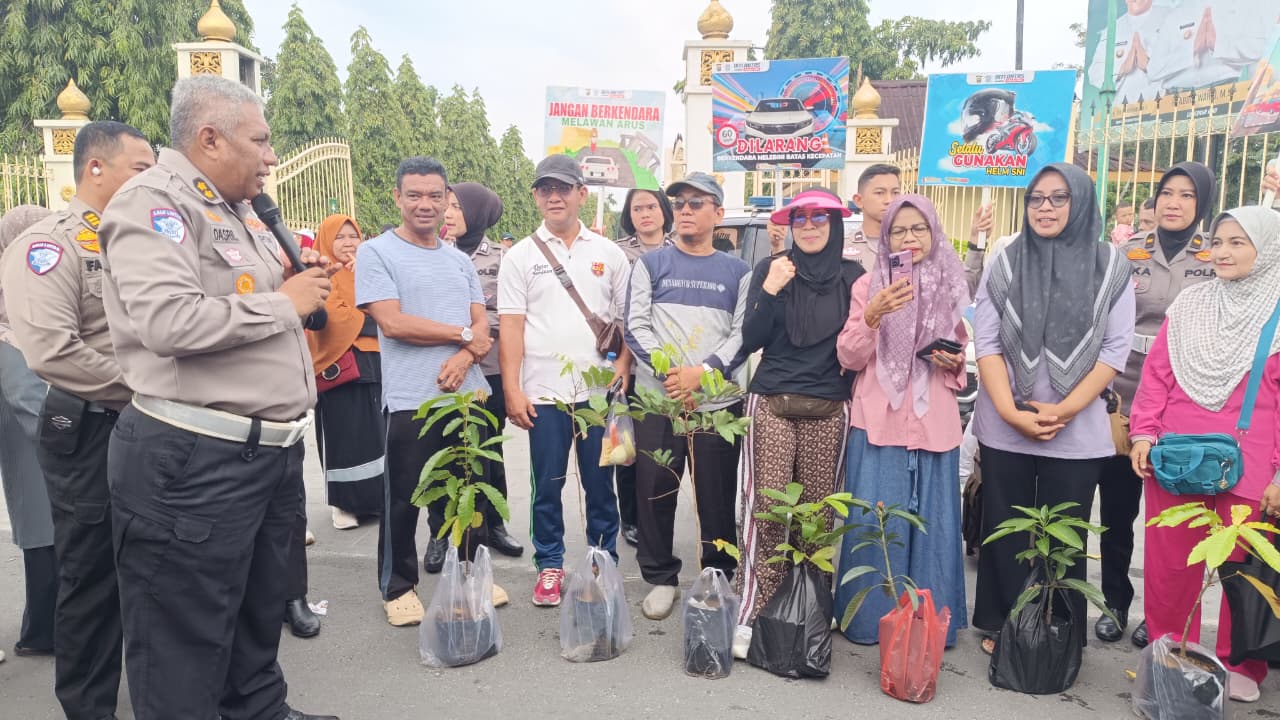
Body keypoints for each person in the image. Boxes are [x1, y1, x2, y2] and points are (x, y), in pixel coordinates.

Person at [98, 75, 337, 720]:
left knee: (257, 617)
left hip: (267, 459)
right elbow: (168, 323)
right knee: (184, 643)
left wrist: (284, 294)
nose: (271, 156)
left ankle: (262, 711)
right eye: (259, 140)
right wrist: (280, 304)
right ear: (210, 137)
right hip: (194, 462)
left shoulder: (234, 210)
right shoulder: (152, 205)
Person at [1, 121, 154, 719]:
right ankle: (89, 708)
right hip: (91, 427)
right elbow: (53, 352)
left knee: (153, 571)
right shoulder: (51, 245)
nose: (154, 183)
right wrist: (148, 388)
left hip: (151, 422)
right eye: (141, 171)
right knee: (92, 579)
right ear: (95, 168)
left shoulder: (141, 241)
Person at [970, 163, 1135, 657]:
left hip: (1078, 425)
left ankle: (1058, 629)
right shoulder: (1006, 260)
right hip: (1007, 422)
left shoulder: (1112, 265)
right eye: (1036, 198)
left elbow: (1114, 350)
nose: (1044, 207)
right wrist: (1010, 410)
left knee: (1065, 533)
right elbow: (987, 340)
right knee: (1005, 526)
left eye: (1058, 198)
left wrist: (1062, 410)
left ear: (1080, 202)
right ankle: (1003, 624)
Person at [1129, 206, 1280, 705]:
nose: (1223, 252)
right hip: (1176, 457)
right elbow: (1155, 378)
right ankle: (1169, 650)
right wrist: (1144, 434)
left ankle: (1241, 660)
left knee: (1242, 567)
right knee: (1170, 564)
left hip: (1253, 463)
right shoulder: (1191, 304)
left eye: (1239, 243)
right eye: (1219, 242)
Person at [357, 158, 500, 625]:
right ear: (397, 198)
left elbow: (481, 327)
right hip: (411, 399)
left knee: (469, 491)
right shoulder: (377, 253)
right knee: (404, 497)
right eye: (414, 195)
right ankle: (398, 585)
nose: (425, 204)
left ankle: (470, 572)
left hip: (467, 398)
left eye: (435, 196)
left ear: (446, 203)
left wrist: (465, 357)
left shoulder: (459, 260)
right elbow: (393, 323)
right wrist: (462, 339)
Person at [834, 194, 971, 647]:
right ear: (886, 236)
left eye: (918, 229)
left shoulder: (950, 287)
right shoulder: (867, 285)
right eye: (899, 230)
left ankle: (929, 624)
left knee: (933, 525)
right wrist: (874, 315)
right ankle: (867, 620)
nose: (909, 238)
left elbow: (960, 366)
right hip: (878, 420)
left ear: (933, 234)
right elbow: (849, 356)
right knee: (876, 526)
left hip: (934, 423)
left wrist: (950, 359)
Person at [733, 187, 866, 654]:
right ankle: (754, 610)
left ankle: (810, 609)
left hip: (829, 406)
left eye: (820, 218)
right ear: (790, 225)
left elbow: (862, 341)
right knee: (766, 511)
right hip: (771, 399)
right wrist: (770, 292)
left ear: (835, 225)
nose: (809, 226)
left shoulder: (853, 276)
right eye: (801, 218)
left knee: (819, 515)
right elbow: (750, 339)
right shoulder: (772, 269)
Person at [497, 154, 631, 607]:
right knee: (547, 483)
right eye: (545, 189)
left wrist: (621, 373)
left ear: (581, 193)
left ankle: (601, 562)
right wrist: (513, 389)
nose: (554, 197)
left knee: (600, 484)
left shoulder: (609, 253)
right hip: (544, 394)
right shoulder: (519, 256)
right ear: (535, 196)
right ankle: (549, 564)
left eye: (563, 188)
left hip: (598, 396)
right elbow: (511, 326)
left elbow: (626, 322)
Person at [1100, 161, 1218, 648]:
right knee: (1116, 513)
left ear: (1202, 204)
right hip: (1122, 398)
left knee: (1170, 525)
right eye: (1167, 193)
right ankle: (1113, 603)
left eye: (1187, 195)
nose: (1174, 203)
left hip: (1184, 403)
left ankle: (1161, 615)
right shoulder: (1127, 253)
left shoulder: (1218, 254)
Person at [624, 173, 750, 620]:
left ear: (718, 213)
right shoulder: (651, 264)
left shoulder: (738, 271)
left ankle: (717, 576)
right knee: (655, 491)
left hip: (716, 406)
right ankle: (659, 578)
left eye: (697, 203)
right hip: (659, 403)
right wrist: (669, 373)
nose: (686, 210)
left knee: (715, 497)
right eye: (679, 203)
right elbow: (635, 326)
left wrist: (703, 375)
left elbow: (741, 337)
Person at [441, 181, 524, 558]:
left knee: (488, 448)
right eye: (448, 205)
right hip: (443, 369)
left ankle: (493, 524)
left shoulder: (503, 259)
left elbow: (505, 320)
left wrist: (473, 349)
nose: (447, 212)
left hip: (486, 370)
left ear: (476, 212)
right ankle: (441, 532)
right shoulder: (436, 254)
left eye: (457, 206)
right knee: (446, 449)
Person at [0, 206, 57, 666]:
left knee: (46, 531)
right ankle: (43, 632)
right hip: (35, 443)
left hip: (39, 443)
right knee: (45, 534)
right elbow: (28, 399)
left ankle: (45, 630)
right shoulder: (8, 318)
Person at [309, 214, 384, 530]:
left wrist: (376, 317)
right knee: (344, 437)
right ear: (326, 241)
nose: (348, 242)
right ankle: (343, 505)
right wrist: (374, 320)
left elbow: (392, 310)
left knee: (375, 437)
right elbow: (333, 318)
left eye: (353, 235)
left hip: (375, 365)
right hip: (337, 368)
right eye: (339, 237)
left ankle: (374, 499)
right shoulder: (318, 275)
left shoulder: (371, 271)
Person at [614, 187, 675, 548]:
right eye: (637, 208)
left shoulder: (680, 249)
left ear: (664, 211)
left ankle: (659, 517)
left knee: (664, 449)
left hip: (670, 369)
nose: (645, 214)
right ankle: (631, 519)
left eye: (651, 206)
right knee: (629, 448)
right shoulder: (618, 252)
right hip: (629, 366)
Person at [1087, 0, 1168, 104]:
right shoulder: (1113, 29)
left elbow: (1187, 61)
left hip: (1161, 106)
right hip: (1121, 111)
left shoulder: (1170, 17)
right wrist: (1121, 69)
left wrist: (1150, 66)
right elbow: (1094, 73)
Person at [845, 163, 901, 267]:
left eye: (895, 192)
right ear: (859, 200)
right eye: (879, 193)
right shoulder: (842, 248)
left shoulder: (910, 245)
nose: (889, 200)